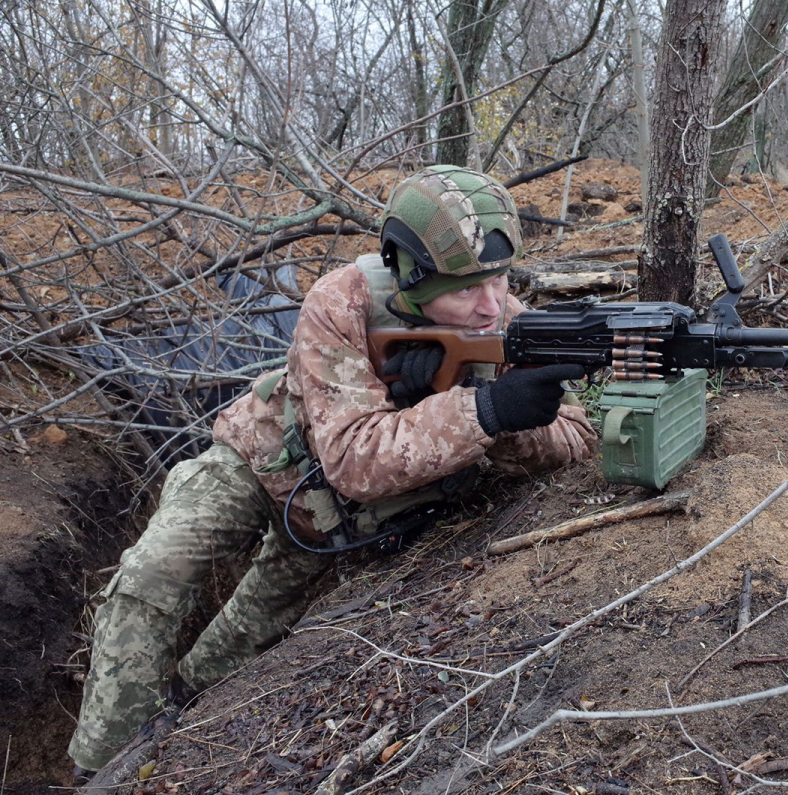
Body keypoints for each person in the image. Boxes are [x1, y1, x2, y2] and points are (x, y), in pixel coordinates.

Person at [68, 165, 596, 777]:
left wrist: (510, 420)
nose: (491, 305)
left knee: (235, 655)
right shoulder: (341, 301)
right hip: (261, 460)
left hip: (332, 523)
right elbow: (351, 458)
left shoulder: (504, 318)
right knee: (152, 575)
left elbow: (576, 439)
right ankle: (97, 769)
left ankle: (167, 741)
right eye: (466, 289)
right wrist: (480, 409)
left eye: (500, 279)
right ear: (413, 276)